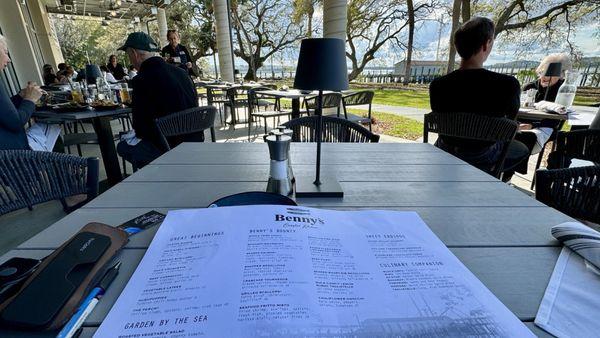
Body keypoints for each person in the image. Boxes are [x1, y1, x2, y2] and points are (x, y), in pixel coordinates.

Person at [429, 17, 528, 178]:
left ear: (457, 46)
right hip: (483, 155)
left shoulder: (438, 85)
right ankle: (498, 184)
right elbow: (510, 124)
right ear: (486, 44)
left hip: (445, 149)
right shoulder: (507, 85)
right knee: (521, 148)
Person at [116, 32, 198, 168]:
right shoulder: (182, 74)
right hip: (193, 144)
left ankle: (157, 175)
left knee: (123, 146)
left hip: (167, 148)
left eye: (128, 55)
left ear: (134, 53)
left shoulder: (141, 80)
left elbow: (140, 129)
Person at [0, 34, 61, 151]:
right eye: (5, 52)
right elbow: (16, 122)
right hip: (12, 155)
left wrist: (20, 96)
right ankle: (50, 167)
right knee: (52, 129)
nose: (9, 59)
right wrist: (30, 100)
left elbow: (4, 112)